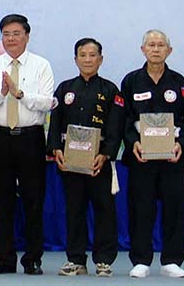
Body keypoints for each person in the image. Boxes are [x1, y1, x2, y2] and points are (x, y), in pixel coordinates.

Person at [0, 13, 56, 275]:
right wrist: (2, 93)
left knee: (34, 200)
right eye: (7, 34)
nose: (11, 38)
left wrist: (19, 93)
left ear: (27, 36)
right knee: (2, 201)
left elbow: (47, 103)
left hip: (30, 137)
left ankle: (33, 259)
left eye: (16, 33)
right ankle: (5, 259)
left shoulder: (41, 65)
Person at [121, 30, 184, 279]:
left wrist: (182, 145)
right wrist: (133, 142)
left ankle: (171, 260)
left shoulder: (179, 82)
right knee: (140, 208)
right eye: (151, 45)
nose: (155, 49)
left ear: (169, 50)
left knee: (174, 208)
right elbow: (123, 119)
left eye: (160, 45)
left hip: (171, 157)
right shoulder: (131, 81)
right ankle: (141, 259)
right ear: (142, 50)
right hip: (141, 157)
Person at [47, 38, 124, 278]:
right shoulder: (65, 89)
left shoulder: (111, 90)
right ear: (75, 59)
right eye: (83, 55)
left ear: (101, 59)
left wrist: (106, 154)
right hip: (70, 161)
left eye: (93, 55)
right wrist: (55, 150)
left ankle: (103, 260)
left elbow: (116, 127)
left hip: (98, 161)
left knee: (104, 210)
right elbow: (55, 122)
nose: (88, 59)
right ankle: (75, 259)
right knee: (74, 210)